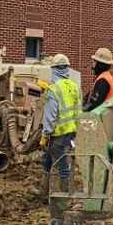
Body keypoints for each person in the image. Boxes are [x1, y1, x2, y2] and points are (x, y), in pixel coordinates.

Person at [40, 53, 82, 193]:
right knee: (47, 158)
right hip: (71, 132)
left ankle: (65, 194)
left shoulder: (53, 89)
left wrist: (45, 134)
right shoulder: (75, 87)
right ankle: (43, 190)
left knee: (62, 162)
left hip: (58, 133)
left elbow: (50, 116)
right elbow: (78, 110)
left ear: (54, 69)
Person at [84, 47, 113, 111]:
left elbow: (94, 103)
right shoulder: (106, 76)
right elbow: (90, 96)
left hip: (102, 116)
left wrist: (80, 110)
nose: (93, 66)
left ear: (100, 65)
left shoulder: (103, 80)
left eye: (94, 62)